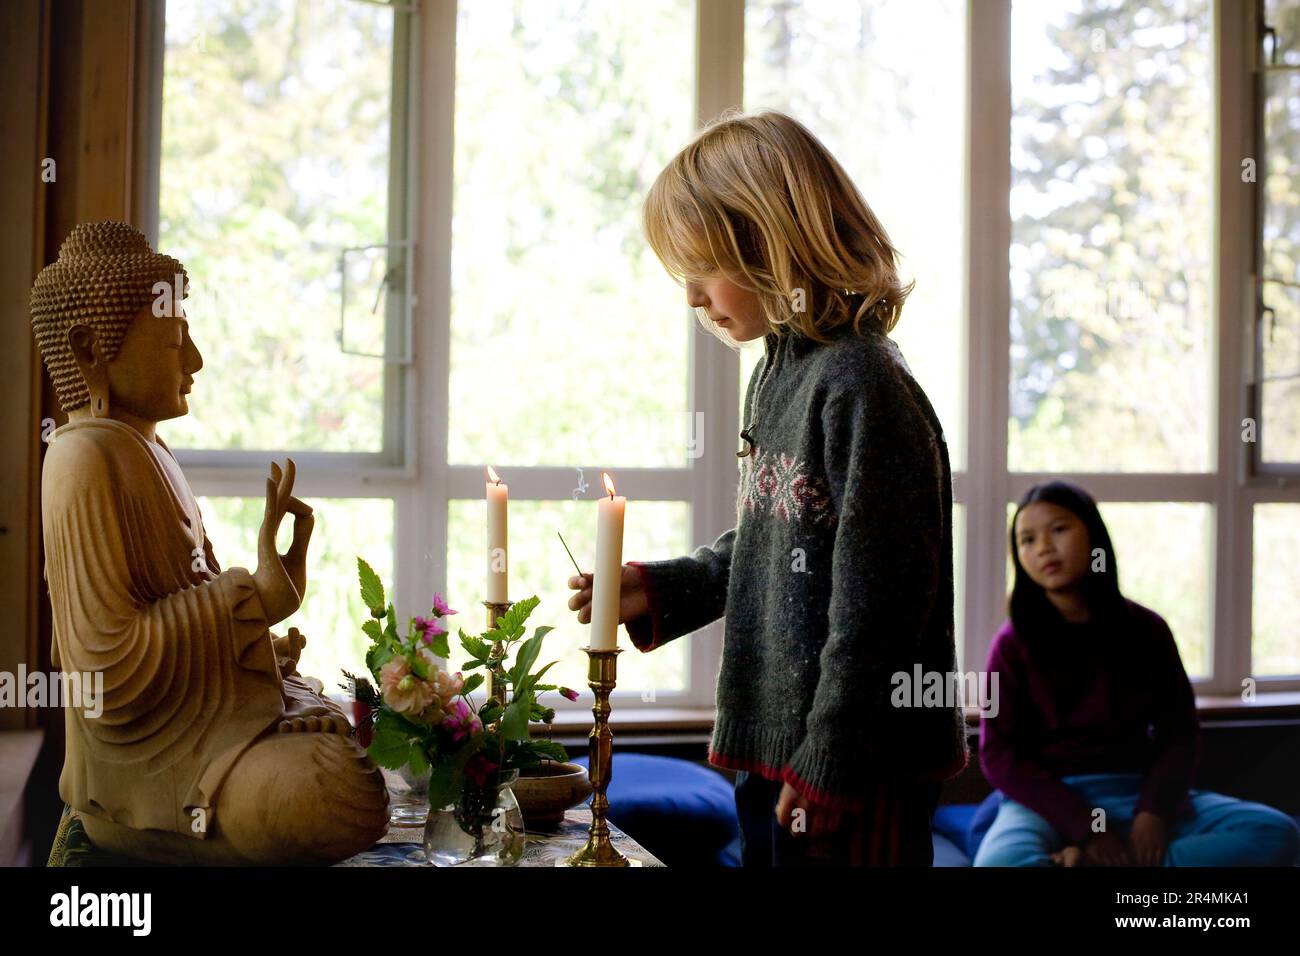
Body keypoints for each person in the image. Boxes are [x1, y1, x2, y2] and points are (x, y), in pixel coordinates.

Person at [566, 110, 968, 866]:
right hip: (777, 749)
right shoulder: (779, 373)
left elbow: (881, 607)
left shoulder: (863, 385)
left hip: (856, 764)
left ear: (769, 244)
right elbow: (775, 547)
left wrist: (832, 762)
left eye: (701, 268)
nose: (690, 296)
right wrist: (665, 588)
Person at [974, 480, 1300, 867]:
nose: (1043, 547)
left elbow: (1179, 732)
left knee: (1275, 832)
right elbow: (997, 753)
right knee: (998, 864)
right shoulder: (1012, 644)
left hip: (1134, 790)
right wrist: (1085, 827)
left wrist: (1153, 813)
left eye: (1059, 529)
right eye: (1026, 539)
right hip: (1048, 800)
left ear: (1093, 535)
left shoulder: (1146, 630)